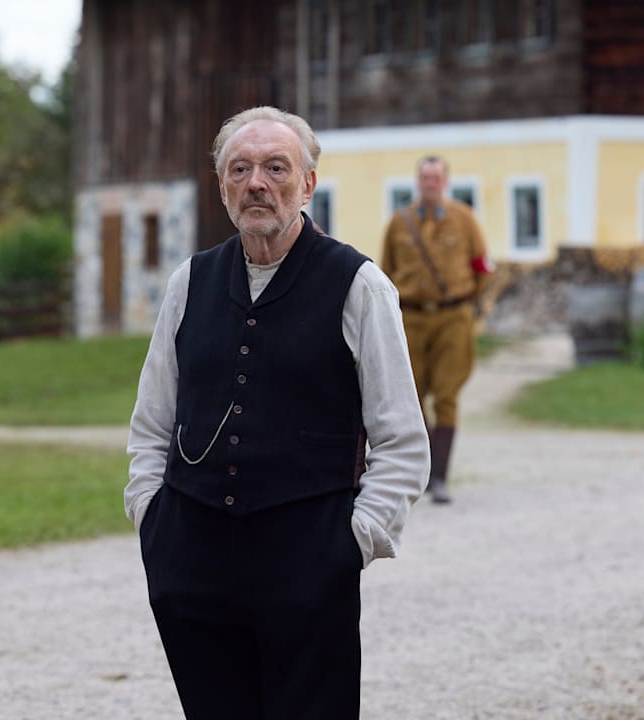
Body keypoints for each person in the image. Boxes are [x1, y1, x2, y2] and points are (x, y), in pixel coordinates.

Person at [124, 106, 430, 720]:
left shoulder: (359, 286)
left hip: (309, 566)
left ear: (308, 184)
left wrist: (350, 543)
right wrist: (153, 521)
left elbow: (401, 442)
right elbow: (152, 423)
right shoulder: (190, 281)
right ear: (222, 187)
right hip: (191, 560)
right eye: (240, 169)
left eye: (274, 167)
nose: (256, 183)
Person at [379, 156, 492, 505]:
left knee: (446, 395)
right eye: (425, 177)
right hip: (411, 318)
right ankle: (422, 474)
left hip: (452, 317)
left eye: (436, 178)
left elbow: (481, 267)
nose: (430, 183)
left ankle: (440, 477)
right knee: (411, 398)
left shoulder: (464, 219)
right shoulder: (399, 224)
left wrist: (477, 308)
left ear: (446, 182)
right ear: (417, 182)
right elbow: (385, 274)